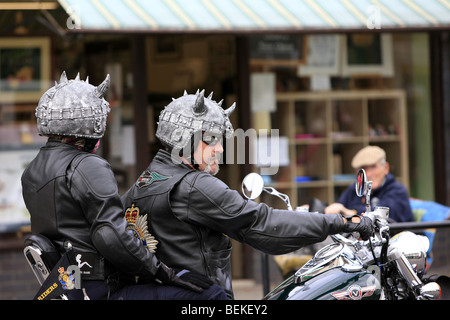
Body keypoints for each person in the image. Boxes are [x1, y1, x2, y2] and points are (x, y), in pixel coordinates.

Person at [121, 90, 374, 299]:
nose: (220, 148)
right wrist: (344, 222)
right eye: (211, 139)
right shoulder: (193, 186)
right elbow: (263, 223)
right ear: (183, 139)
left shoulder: (141, 185)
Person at [21, 72, 226, 300]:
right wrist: (162, 271)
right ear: (92, 121)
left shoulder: (32, 171)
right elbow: (110, 235)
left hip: (70, 287)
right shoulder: (88, 165)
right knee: (211, 294)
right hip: (104, 290)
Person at [325, 145, 413, 222]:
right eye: (363, 169)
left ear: (386, 168)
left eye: (373, 167)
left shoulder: (397, 190)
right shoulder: (354, 189)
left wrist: (352, 213)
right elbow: (339, 208)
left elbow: (385, 216)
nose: (368, 174)